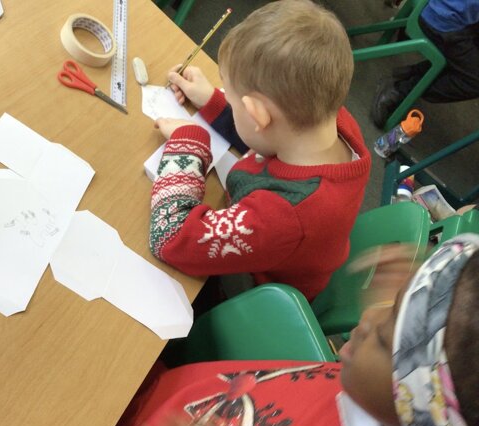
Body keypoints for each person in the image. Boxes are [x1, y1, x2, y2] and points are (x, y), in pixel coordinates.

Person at [84, 235, 479, 426]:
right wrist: (401, 318)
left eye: (383, 334)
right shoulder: (391, 404)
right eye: (391, 309)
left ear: (427, 414)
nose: (367, 320)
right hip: (138, 394)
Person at [148, 0, 371, 302]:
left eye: (233, 100)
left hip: (249, 291)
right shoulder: (326, 118)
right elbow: (272, 135)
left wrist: (189, 142)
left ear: (258, 116)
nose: (228, 101)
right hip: (284, 250)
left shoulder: (282, 216)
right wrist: (213, 101)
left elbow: (170, 237)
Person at [371, 0, 479, 128]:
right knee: (474, 81)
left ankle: (412, 74)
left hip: (440, 9)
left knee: (469, 60)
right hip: (444, 18)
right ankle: (398, 90)